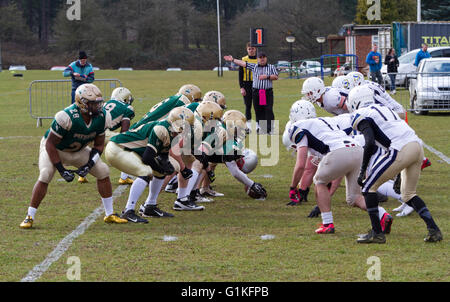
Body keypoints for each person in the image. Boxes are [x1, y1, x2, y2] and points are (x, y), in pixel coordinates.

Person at [19, 84, 128, 229]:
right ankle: (29, 216)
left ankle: (109, 214)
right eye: (93, 104)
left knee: (103, 171)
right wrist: (61, 169)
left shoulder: (101, 117)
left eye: (98, 103)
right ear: (82, 103)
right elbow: (50, 144)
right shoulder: (66, 116)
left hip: (78, 151)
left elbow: (99, 146)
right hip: (56, 150)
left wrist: (88, 165)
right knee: (45, 174)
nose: (98, 107)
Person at [347, 86, 442, 244]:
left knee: (367, 187)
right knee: (408, 194)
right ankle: (434, 230)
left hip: (400, 148)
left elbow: (369, 143)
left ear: (355, 102)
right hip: (417, 146)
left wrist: (363, 169)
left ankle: (377, 233)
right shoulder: (384, 108)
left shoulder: (360, 114)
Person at [286, 100, 392, 235]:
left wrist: (293, 187)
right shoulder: (325, 121)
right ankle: (383, 214)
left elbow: (301, 165)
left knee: (319, 181)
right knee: (354, 197)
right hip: (357, 149)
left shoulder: (296, 128)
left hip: (337, 151)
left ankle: (327, 223)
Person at [105, 107, 196, 222]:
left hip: (134, 151)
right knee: (146, 172)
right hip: (118, 148)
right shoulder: (161, 129)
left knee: (166, 169)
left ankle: (150, 206)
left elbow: (163, 153)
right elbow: (148, 157)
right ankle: (128, 210)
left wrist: (171, 167)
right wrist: (160, 168)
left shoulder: (173, 131)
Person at [224, 53, 279, 135]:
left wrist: (267, 77)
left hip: (266, 91)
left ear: (266, 58)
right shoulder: (254, 66)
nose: (262, 59)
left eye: (263, 57)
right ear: (257, 59)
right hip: (258, 91)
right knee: (259, 110)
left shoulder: (271, 67)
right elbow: (243, 63)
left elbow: (276, 77)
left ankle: (270, 128)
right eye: (260, 58)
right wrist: (233, 60)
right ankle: (262, 128)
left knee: (268, 109)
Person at [239, 43, 258, 131]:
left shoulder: (260, 59)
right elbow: (240, 74)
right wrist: (241, 87)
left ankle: (260, 126)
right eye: (249, 49)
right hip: (247, 85)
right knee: (248, 105)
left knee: (261, 105)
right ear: (247, 49)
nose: (251, 50)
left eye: (253, 48)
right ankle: (249, 126)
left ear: (256, 49)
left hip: (260, 86)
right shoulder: (243, 59)